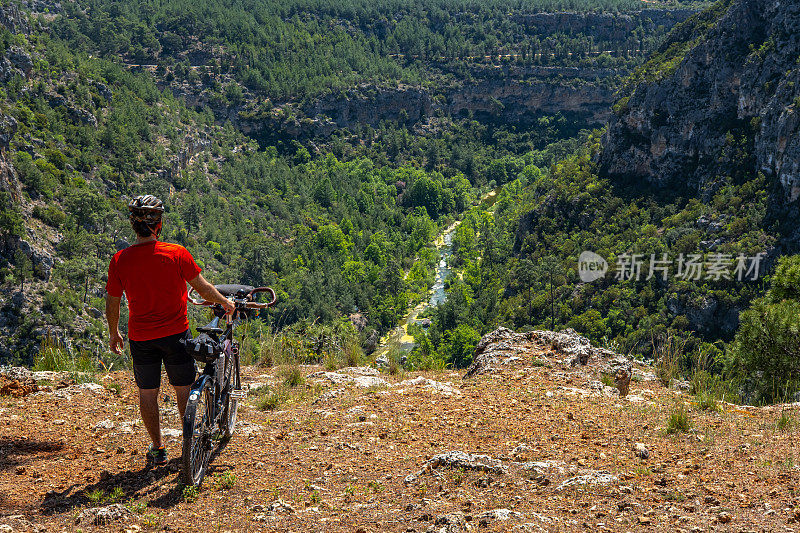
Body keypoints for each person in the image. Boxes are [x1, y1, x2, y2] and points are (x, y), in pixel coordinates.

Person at [105, 194, 234, 466]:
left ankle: (157, 446)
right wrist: (225, 302)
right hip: (176, 334)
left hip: (140, 338)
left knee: (147, 392)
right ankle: (190, 442)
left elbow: (113, 300)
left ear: (133, 225)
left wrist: (113, 332)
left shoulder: (120, 260)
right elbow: (202, 288)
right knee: (183, 388)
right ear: (159, 225)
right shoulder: (176, 254)